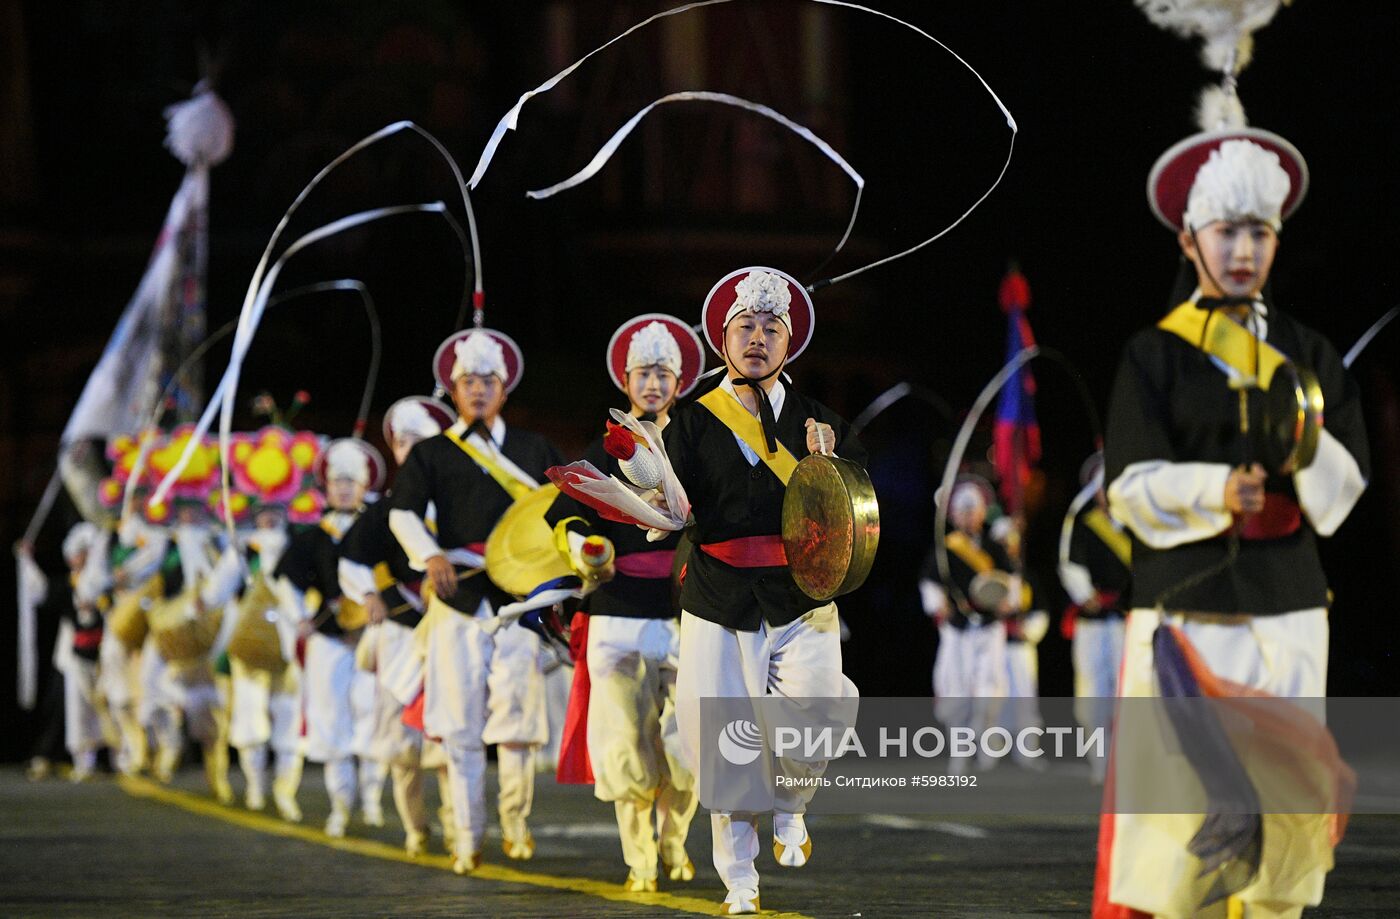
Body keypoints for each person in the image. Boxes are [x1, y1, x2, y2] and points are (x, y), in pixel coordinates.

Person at [1094, 111, 1369, 917]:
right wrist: (1217, 489)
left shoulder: (1311, 354)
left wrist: (1303, 448)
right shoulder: (1153, 353)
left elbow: (1346, 488)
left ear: (1278, 240)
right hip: (1184, 605)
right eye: (1226, 231)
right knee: (1179, 832)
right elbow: (1129, 486)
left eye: (1259, 232)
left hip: (1287, 605)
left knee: (1284, 822)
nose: (1243, 250)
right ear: (1189, 240)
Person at [659, 267, 862, 915]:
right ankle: (740, 880)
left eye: (771, 327)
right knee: (724, 739)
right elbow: (667, 504)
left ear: (789, 341)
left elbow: (854, 518)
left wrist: (831, 470)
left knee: (821, 705)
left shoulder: (821, 421)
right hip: (719, 593)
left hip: (800, 594)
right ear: (723, 338)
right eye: (745, 325)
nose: (757, 337)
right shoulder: (690, 422)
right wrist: (640, 466)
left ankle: (794, 803)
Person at [388, 328, 562, 874]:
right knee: (459, 723)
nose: (479, 390)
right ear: (453, 390)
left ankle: (515, 823)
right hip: (456, 594)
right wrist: (429, 555)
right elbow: (401, 513)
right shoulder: (432, 453)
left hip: (517, 599)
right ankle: (468, 837)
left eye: (489, 381)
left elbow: (566, 510)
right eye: (468, 382)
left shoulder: (533, 449)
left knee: (517, 721)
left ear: (503, 389)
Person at [546, 315, 704, 892]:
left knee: (689, 745)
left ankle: (675, 841)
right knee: (622, 744)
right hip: (615, 611)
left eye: (664, 372)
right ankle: (640, 861)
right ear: (627, 381)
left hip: (689, 612)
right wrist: (584, 548)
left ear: (680, 379)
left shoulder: (698, 439)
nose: (653, 383)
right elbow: (563, 514)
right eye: (644, 373)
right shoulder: (605, 445)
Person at [338, 394, 458, 856]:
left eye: (420, 441)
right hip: (400, 634)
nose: (410, 450)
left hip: (449, 628)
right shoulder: (385, 508)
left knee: (450, 736)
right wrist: (368, 593)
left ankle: (457, 827)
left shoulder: (455, 502)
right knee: (401, 743)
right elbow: (351, 556)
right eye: (402, 443)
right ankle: (416, 828)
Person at [273, 436, 385, 838]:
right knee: (330, 720)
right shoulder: (312, 536)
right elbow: (288, 582)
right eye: (336, 480)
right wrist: (299, 616)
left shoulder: (379, 529)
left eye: (351, 481)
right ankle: (341, 805)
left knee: (373, 717)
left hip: (372, 638)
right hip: (329, 640)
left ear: (365, 485)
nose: (343, 488)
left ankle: (373, 800)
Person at [919, 477, 1024, 773]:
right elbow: (930, 582)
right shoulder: (945, 549)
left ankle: (987, 748)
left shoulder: (995, 547)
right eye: (962, 511)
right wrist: (938, 603)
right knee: (956, 691)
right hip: (957, 629)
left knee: (989, 689)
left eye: (973, 510)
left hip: (989, 628)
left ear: (982, 513)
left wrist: (1008, 601)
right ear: (953, 515)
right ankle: (959, 752)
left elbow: (1012, 581)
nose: (968, 516)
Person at [1057, 453, 1129, 784]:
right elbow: (1071, 566)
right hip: (1093, 623)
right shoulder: (1083, 527)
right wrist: (1085, 595)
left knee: (1128, 692)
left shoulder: (1134, 527)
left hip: (1127, 621)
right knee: (1092, 691)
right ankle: (1099, 761)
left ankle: (1126, 760)